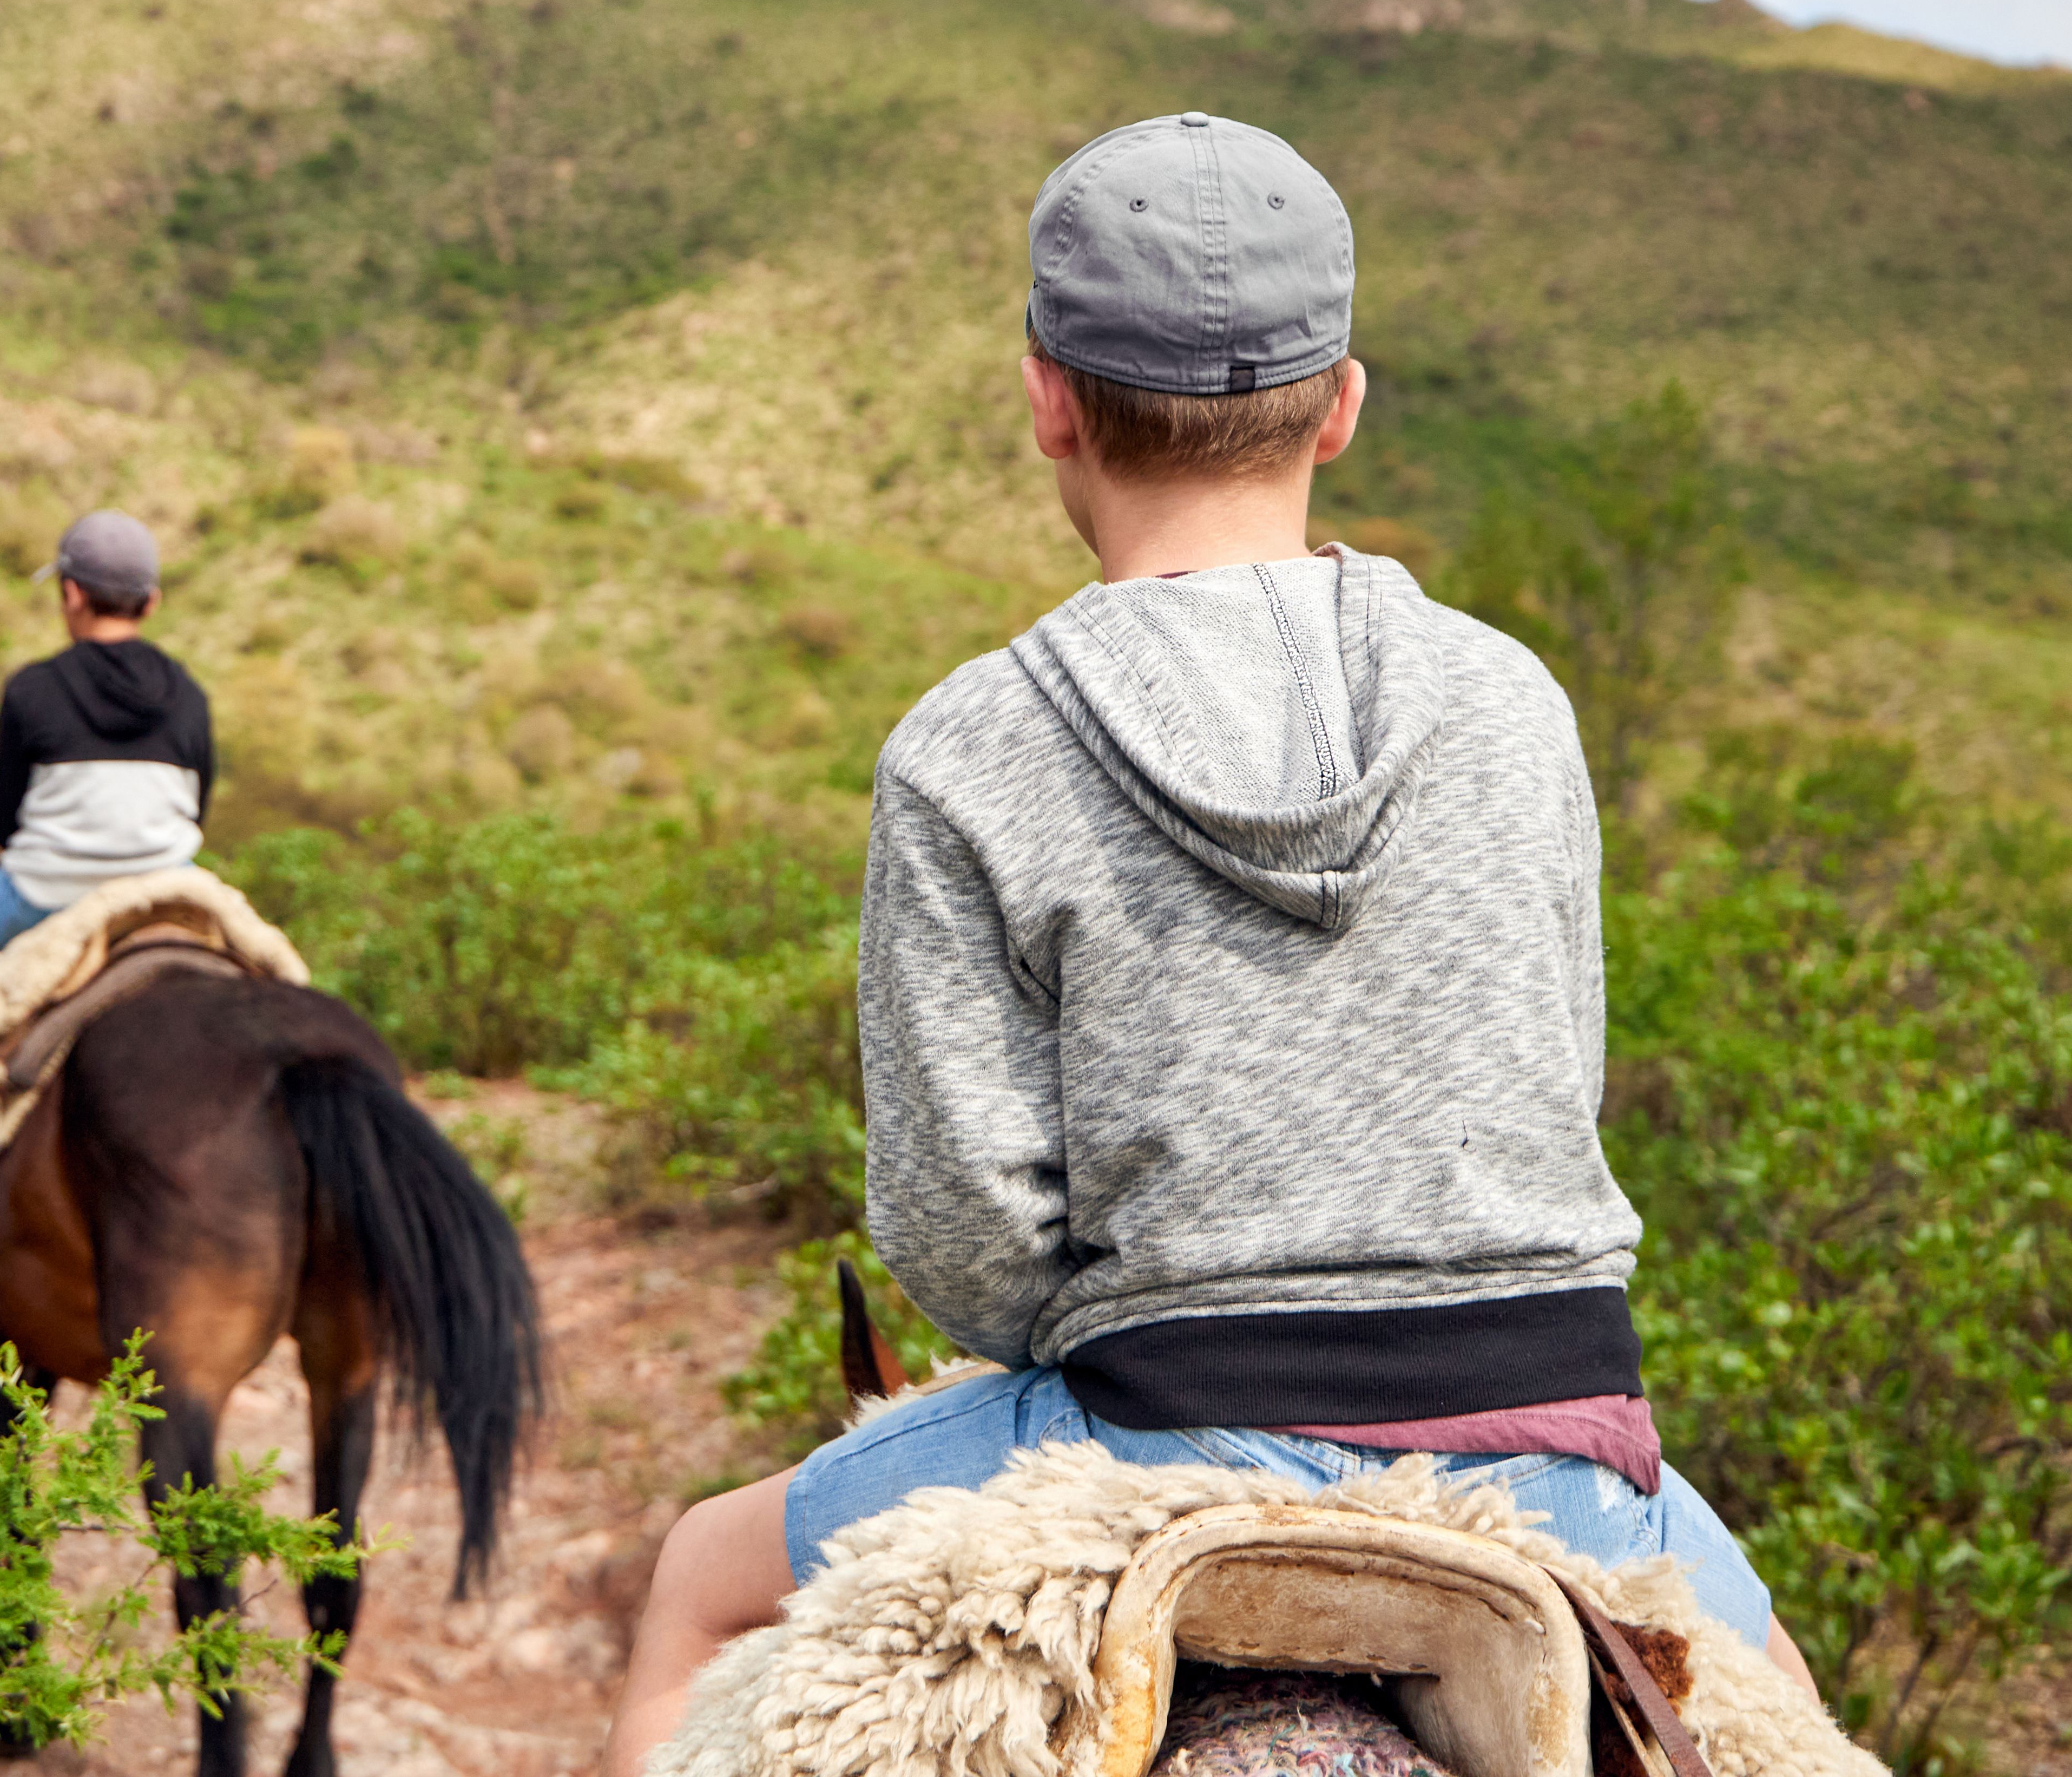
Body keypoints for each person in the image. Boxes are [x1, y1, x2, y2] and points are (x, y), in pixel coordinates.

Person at [599, 112, 1812, 1777]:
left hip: (1154, 1421)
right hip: (1559, 1447)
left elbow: (959, 1231)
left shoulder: (966, 743)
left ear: (1043, 400)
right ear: (1342, 401)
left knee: (692, 1586)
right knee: (1784, 1715)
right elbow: (1554, 1074)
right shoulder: (1511, 699)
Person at [0, 509, 215, 1216]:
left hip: (47, 892)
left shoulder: (32, 689)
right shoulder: (189, 694)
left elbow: (3, 819)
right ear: (151, 602)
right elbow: (197, 806)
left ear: (71, 595)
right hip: (165, 891)